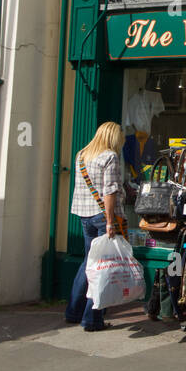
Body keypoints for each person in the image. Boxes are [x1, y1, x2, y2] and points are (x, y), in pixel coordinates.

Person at [64, 122, 127, 332]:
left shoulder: (82, 155)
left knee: (89, 262)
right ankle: (92, 319)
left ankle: (73, 311)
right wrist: (110, 221)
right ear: (113, 137)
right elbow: (109, 192)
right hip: (103, 217)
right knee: (102, 269)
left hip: (84, 215)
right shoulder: (109, 156)